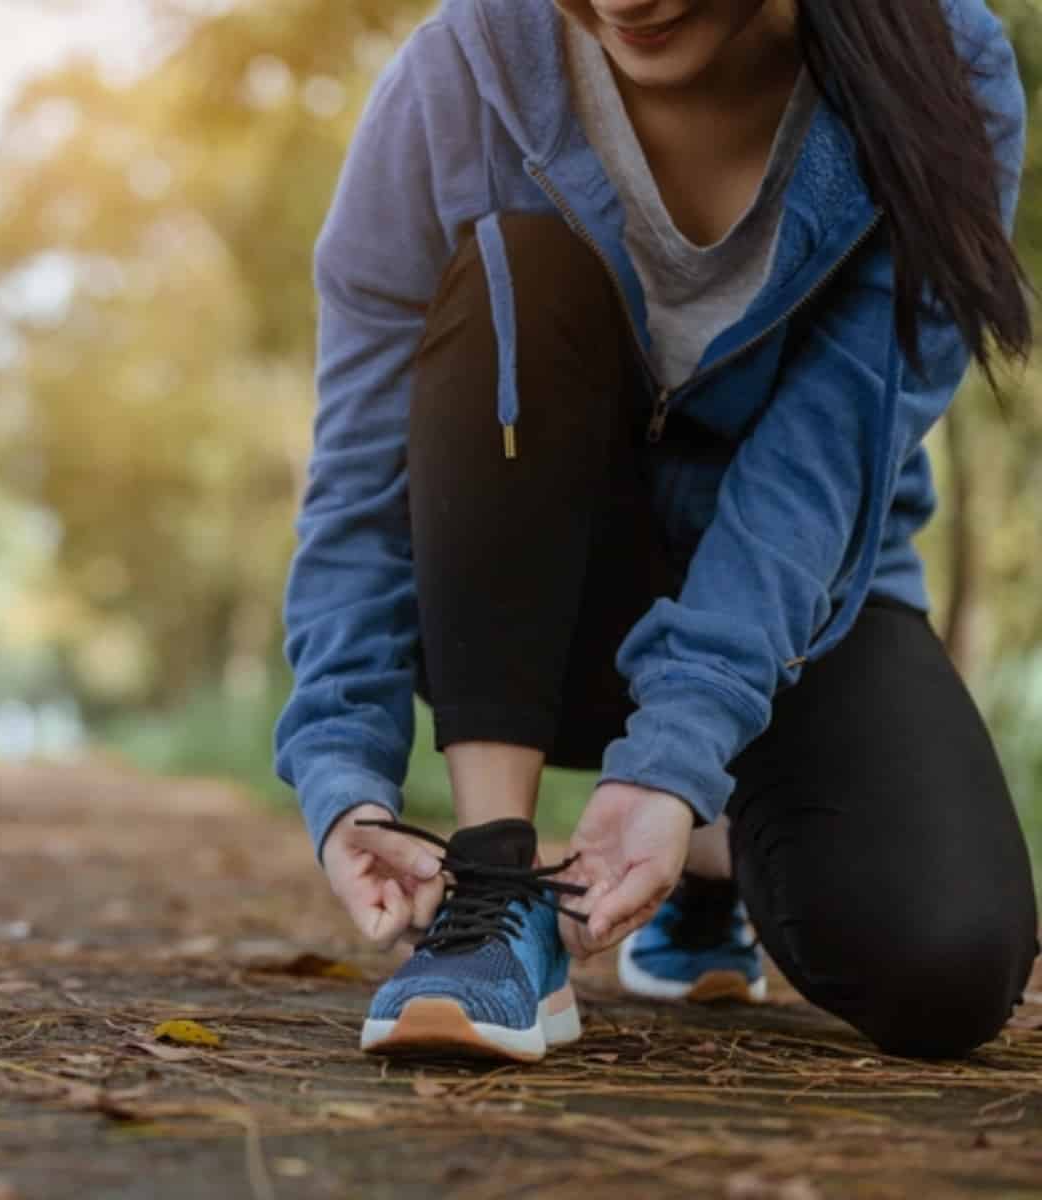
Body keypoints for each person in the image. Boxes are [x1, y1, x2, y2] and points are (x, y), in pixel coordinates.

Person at [275, 0, 1040, 1064]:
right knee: (520, 271)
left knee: (947, 964)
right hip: (531, 609)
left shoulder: (944, 69)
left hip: (793, 606)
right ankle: (497, 889)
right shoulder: (460, 76)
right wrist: (344, 773)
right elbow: (360, 482)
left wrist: (676, 762)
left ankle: (711, 859)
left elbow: (820, 470)